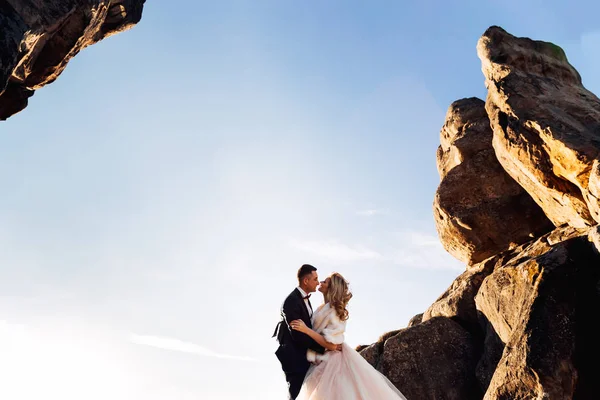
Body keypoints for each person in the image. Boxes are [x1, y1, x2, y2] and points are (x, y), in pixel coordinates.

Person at [290, 272, 407, 400]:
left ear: (332, 288)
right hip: (319, 359)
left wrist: (306, 330)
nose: (321, 282)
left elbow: (332, 344)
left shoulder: (334, 311)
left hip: (331, 364)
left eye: (325, 281)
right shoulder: (321, 308)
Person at [273, 264, 340, 399]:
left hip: (304, 357)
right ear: (306, 281)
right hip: (294, 357)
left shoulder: (305, 300)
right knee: (296, 395)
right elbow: (298, 336)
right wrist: (325, 347)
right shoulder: (292, 301)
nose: (318, 282)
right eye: (315, 279)